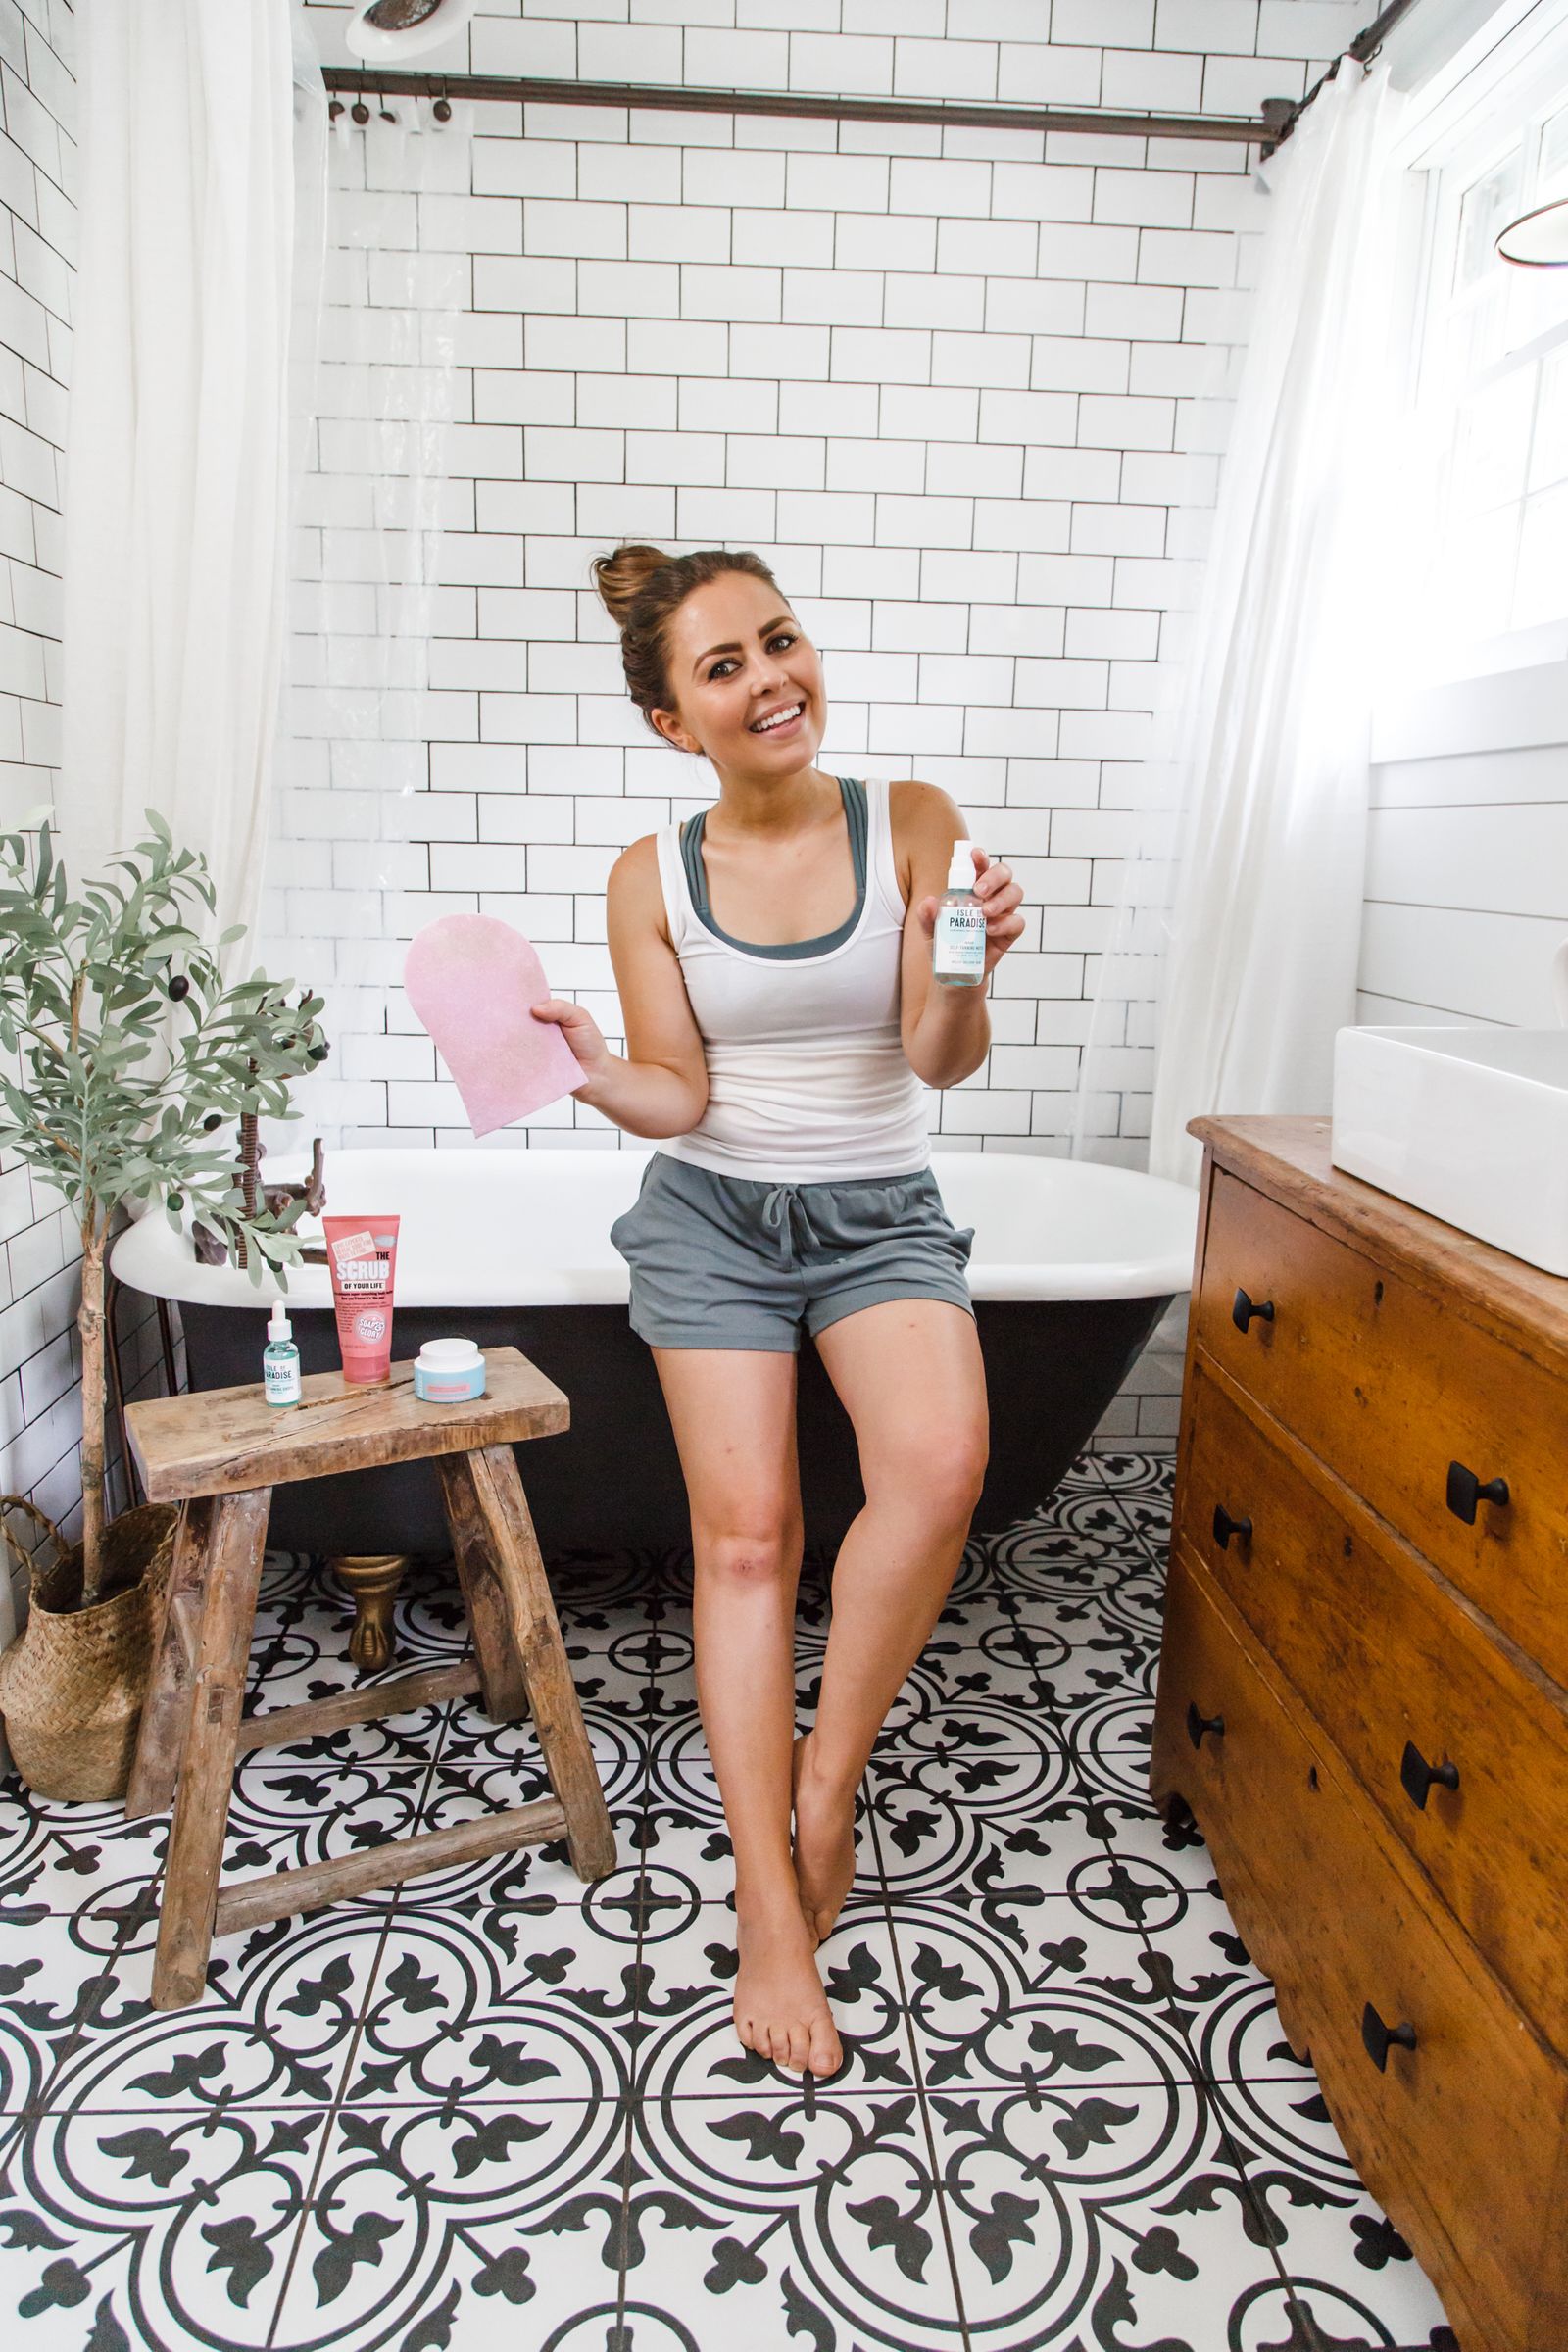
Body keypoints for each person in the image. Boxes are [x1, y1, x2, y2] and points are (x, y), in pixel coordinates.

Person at [532, 544, 1025, 2080]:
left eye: (781, 640)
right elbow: (679, 1091)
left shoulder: (913, 821)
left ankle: (827, 1782)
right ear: (673, 721)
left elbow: (938, 1060)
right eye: (723, 666)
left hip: (879, 1209)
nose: (770, 680)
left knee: (939, 1469)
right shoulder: (650, 875)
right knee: (747, 1542)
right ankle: (765, 1892)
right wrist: (585, 1066)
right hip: (715, 1219)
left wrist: (962, 968)